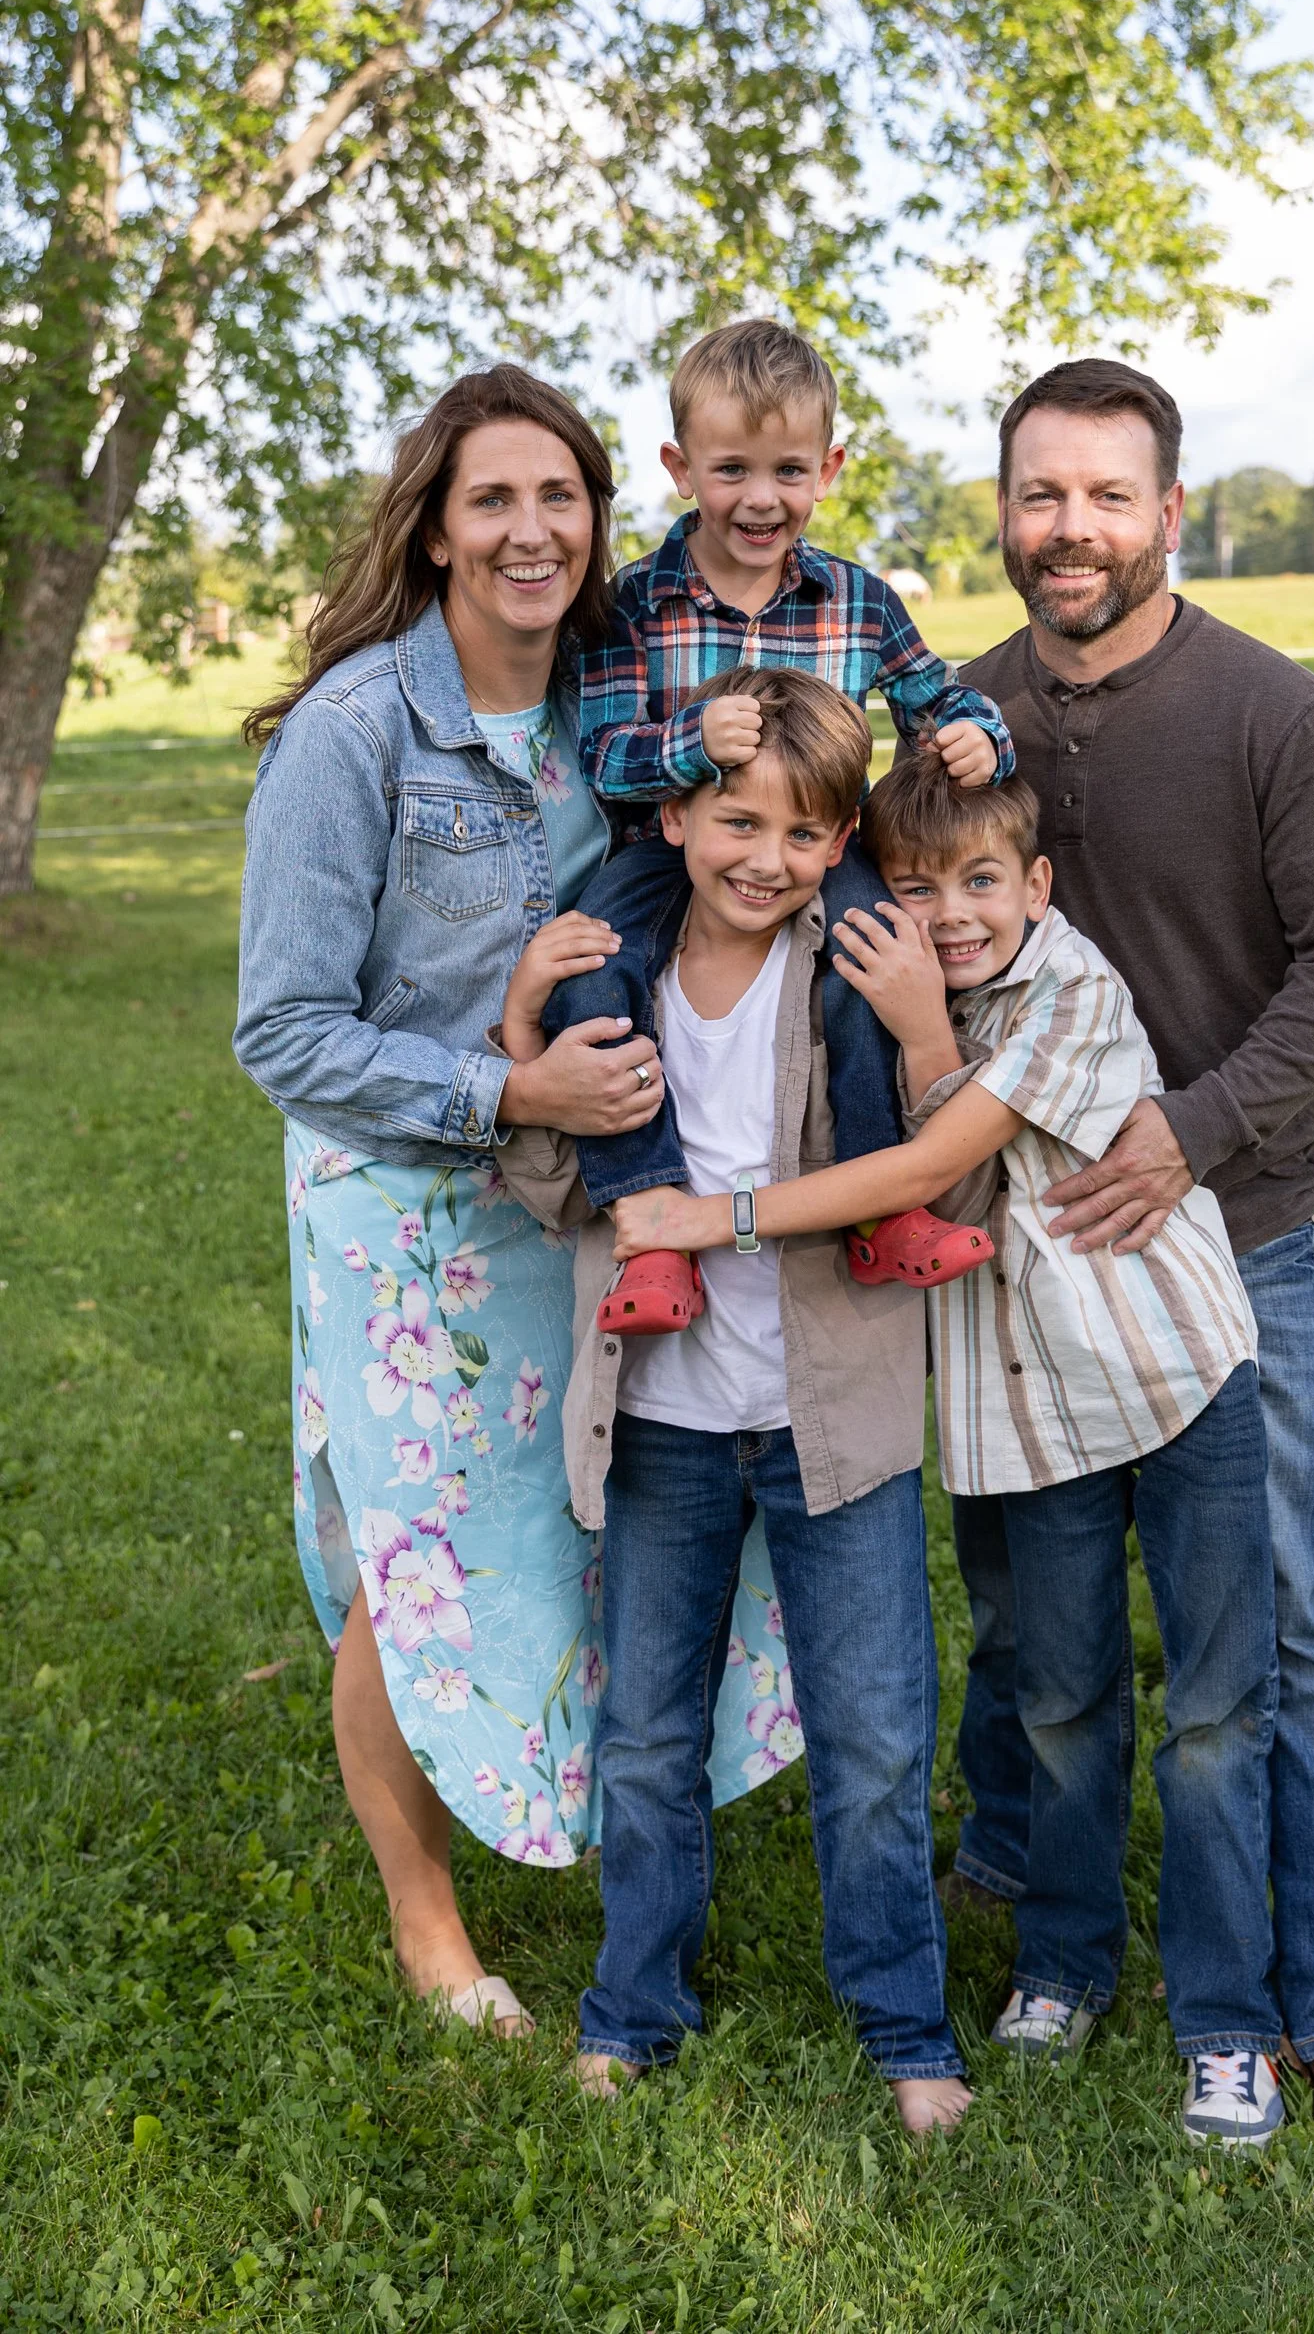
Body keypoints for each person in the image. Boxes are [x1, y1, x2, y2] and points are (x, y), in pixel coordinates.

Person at [234, 368, 808, 2036]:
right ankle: (429, 1923)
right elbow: (281, 1030)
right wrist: (505, 1090)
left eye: (557, 497)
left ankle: (579, 1805)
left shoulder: (610, 710)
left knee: (564, 1528)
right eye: (491, 499)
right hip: (404, 1208)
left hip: (565, 1204)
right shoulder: (356, 735)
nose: (529, 530)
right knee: (415, 1566)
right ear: (432, 528)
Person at [616, 747, 1290, 2145]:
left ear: (1035, 884)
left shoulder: (1063, 991)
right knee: (1053, 1704)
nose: (949, 912)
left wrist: (726, 1211)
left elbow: (934, 1175)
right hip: (1021, 1409)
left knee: (1215, 1716)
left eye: (982, 881)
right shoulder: (867, 985)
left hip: (1171, 1380)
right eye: (913, 887)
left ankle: (1224, 2026)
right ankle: (1061, 1964)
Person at [957, 357, 1314, 2156]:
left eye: (1103, 496)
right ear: (1001, 509)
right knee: (1027, 1607)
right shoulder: (971, 717)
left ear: (1169, 513)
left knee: (1285, 1625)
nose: (1065, 528)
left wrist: (1194, 1123)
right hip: (1032, 1263)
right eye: (1036, 493)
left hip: (1240, 1246)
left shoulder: (1269, 714)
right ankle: (1022, 1880)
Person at [493, 669, 974, 2134]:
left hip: (837, 1410)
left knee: (876, 1735)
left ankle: (903, 2025)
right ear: (681, 814)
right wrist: (521, 1031)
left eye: (806, 833)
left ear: (841, 845)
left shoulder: (855, 966)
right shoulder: (612, 971)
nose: (765, 857)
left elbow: (940, 1167)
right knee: (644, 1733)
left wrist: (927, 1023)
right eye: (736, 818)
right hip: (665, 1419)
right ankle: (634, 2006)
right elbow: (551, 1189)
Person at [529, 317, 1013, 1334]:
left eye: (788, 470)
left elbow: (937, 695)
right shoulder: (633, 607)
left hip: (817, 850)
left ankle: (885, 1205)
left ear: (828, 467)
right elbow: (607, 759)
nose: (761, 498)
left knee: (872, 958)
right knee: (592, 973)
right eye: (730, 469)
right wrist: (689, 744)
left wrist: (975, 739)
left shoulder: (857, 600)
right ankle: (652, 1223)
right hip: (668, 852)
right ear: (678, 466)